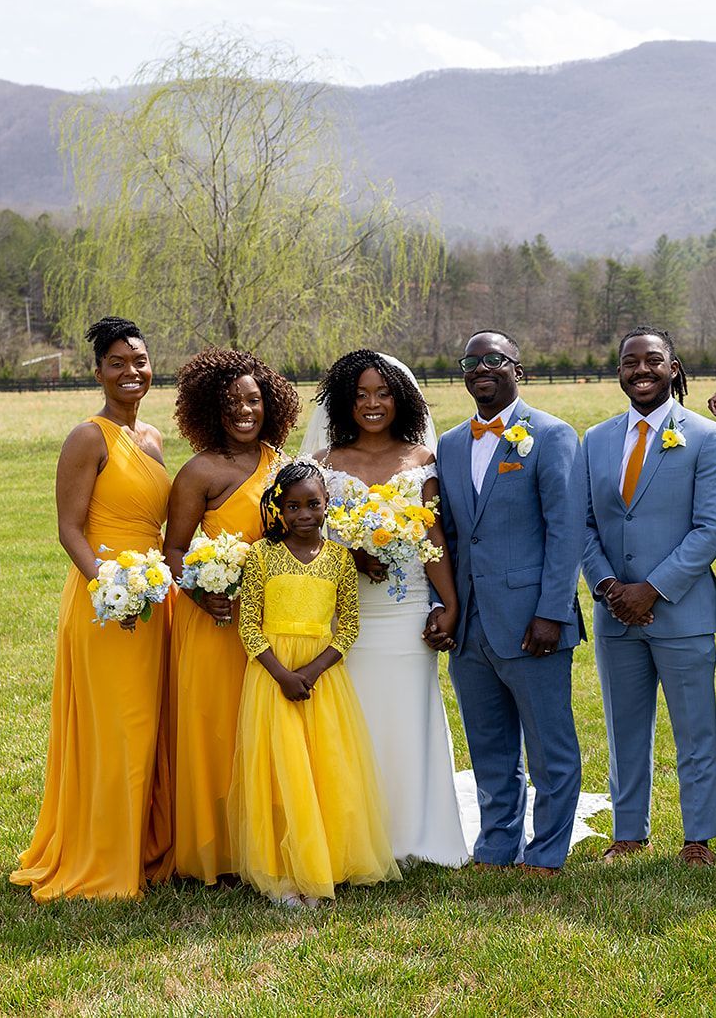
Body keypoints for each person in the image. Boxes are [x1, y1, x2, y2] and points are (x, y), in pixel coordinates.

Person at [12, 316, 173, 901]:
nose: (131, 372)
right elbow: (70, 530)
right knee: (117, 729)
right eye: (117, 363)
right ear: (97, 371)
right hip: (105, 601)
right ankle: (103, 859)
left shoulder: (153, 438)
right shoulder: (88, 437)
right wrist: (111, 586)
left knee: (150, 725)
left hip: (155, 600)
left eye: (140, 361)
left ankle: (144, 847)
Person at [423, 330, 586, 876]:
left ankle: (547, 852)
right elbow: (444, 532)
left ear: (520, 369)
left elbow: (566, 532)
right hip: (469, 624)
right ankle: (497, 846)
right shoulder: (448, 444)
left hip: (531, 621)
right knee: (490, 747)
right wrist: (443, 606)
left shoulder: (553, 435)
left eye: (495, 359)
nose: (482, 368)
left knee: (549, 747)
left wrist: (552, 612)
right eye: (472, 361)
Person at [303, 349, 468, 868]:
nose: (373, 404)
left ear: (401, 400)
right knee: (352, 722)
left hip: (406, 611)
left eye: (383, 394)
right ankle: (355, 832)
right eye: (361, 395)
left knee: (408, 717)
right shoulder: (323, 465)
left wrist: (450, 603)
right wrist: (350, 552)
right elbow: (305, 538)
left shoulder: (422, 460)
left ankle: (415, 834)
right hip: (346, 615)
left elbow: (431, 534)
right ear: (343, 402)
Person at [582, 326, 716, 867]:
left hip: (681, 608)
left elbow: (712, 527)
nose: (640, 370)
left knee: (695, 728)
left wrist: (652, 589)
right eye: (629, 362)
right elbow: (584, 524)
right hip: (614, 613)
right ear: (619, 371)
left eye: (652, 360)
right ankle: (629, 832)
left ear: (674, 367)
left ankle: (698, 835)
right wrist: (606, 587)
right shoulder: (596, 439)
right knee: (624, 727)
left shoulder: (706, 437)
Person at [230, 460, 400, 904]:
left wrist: (311, 670)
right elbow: (249, 624)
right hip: (273, 677)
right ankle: (285, 872)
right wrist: (283, 673)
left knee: (325, 768)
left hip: (323, 679)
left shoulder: (340, 559)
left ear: (327, 505)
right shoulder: (262, 556)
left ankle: (326, 861)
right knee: (282, 770)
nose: (304, 514)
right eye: (293, 506)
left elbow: (348, 627)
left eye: (313, 504)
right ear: (279, 510)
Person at [163, 348, 301, 883]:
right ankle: (216, 853)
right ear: (208, 410)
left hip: (272, 623)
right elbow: (174, 548)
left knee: (268, 733)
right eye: (230, 403)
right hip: (215, 622)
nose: (245, 411)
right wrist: (201, 593)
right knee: (217, 733)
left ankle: (266, 843)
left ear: (271, 403)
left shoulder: (284, 465)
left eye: (253, 399)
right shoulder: (199, 471)